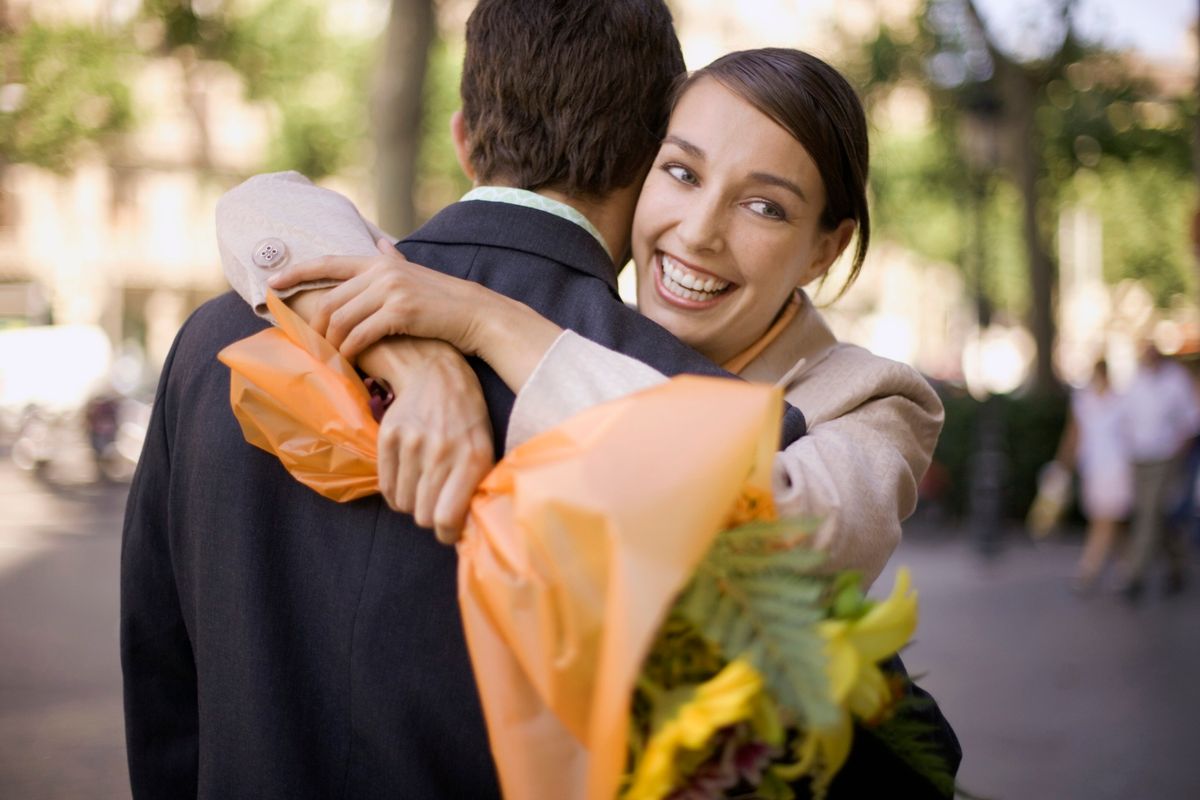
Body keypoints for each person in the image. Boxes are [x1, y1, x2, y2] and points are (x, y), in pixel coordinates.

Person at [219, 48, 960, 795]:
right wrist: (418, 363)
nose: (700, 231)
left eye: (764, 206)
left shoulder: (870, 398)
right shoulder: (579, 318)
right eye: (682, 172)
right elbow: (257, 207)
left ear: (824, 249)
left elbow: (782, 534)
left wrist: (490, 324)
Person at [121, 3, 813, 799]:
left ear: (461, 135)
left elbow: (163, 684)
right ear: (655, 158)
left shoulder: (216, 344)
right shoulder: (707, 421)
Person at [1118, 343, 1199, 601]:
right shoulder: (1136, 381)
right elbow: (1126, 418)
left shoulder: (1175, 380)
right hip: (1139, 458)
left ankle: (1134, 575)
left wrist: (1178, 452)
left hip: (1164, 457)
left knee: (1148, 514)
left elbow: (1190, 419)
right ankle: (1176, 564)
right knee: (1154, 514)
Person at [1053, 359, 1132, 592]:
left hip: (1117, 467)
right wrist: (1063, 465)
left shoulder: (1120, 401)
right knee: (1111, 520)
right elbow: (1073, 435)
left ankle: (1089, 569)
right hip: (1094, 468)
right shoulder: (1084, 401)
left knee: (1104, 519)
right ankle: (1126, 567)